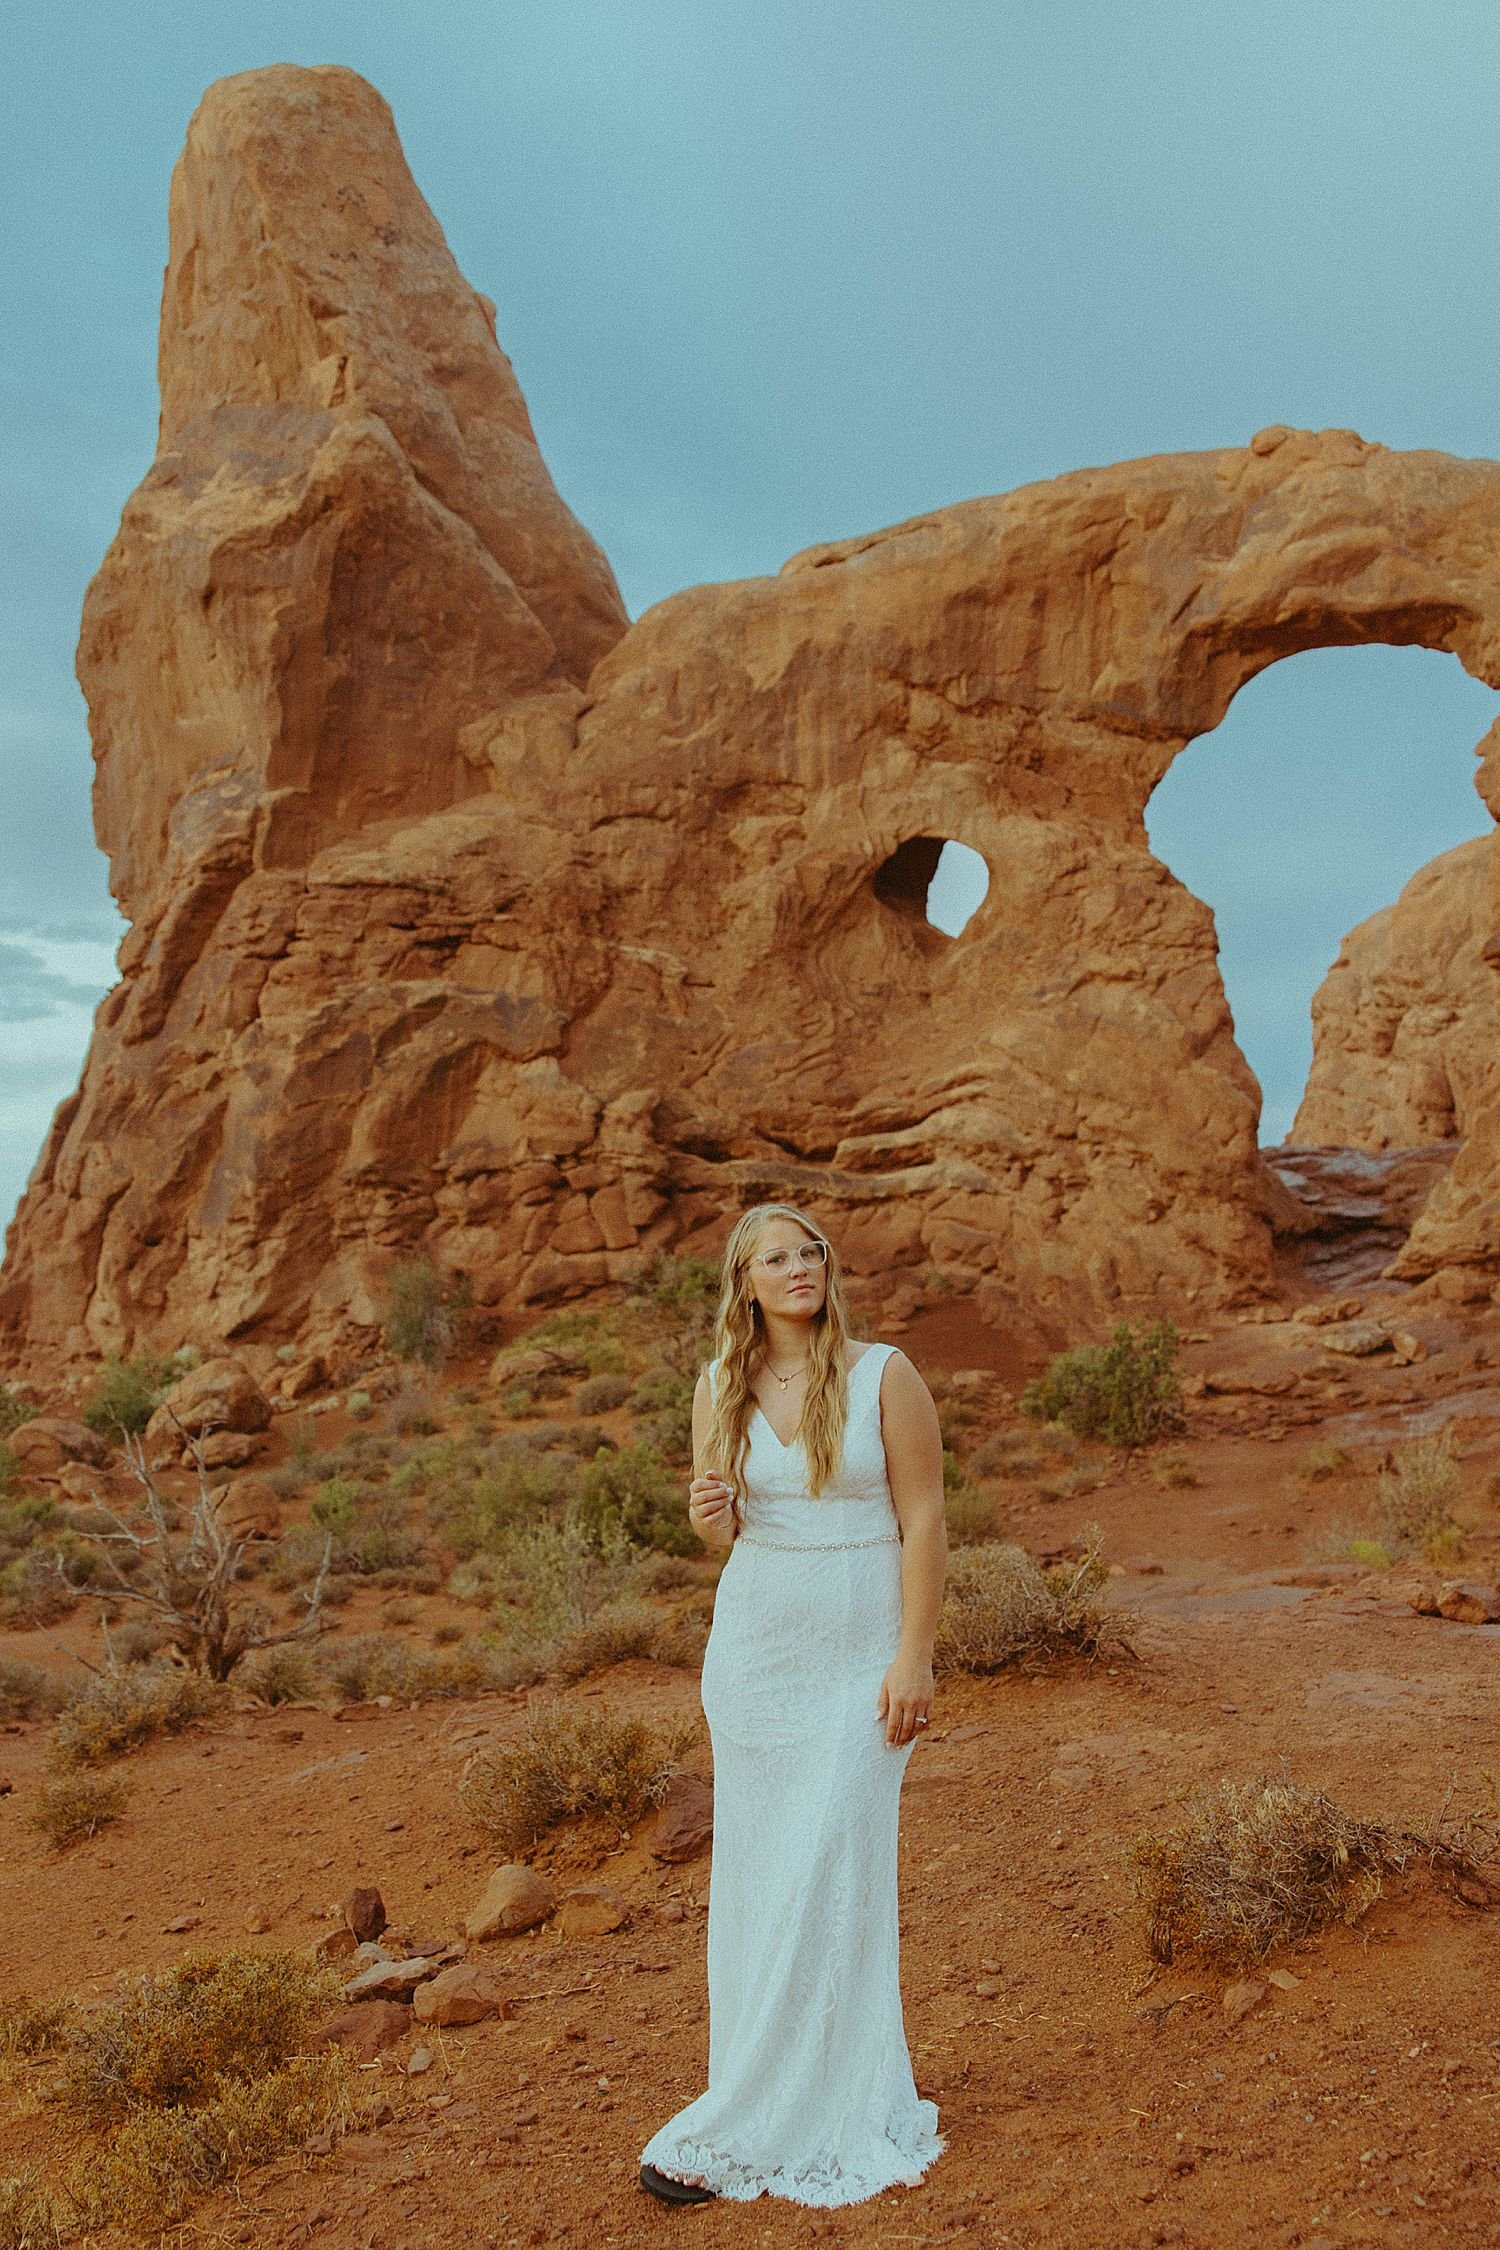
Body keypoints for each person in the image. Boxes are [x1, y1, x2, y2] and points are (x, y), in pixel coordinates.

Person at [638, 1200, 949, 2209]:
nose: (798, 1267)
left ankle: (835, 2107)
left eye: (808, 1250)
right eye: (775, 1257)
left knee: (835, 1868)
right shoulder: (720, 1385)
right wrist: (707, 1514)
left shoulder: (883, 1375)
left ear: (826, 1267)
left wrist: (915, 1656)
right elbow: (718, 1533)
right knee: (765, 1886)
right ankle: (751, 2102)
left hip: (861, 1658)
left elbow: (926, 1515)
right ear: (747, 1282)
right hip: (758, 1658)